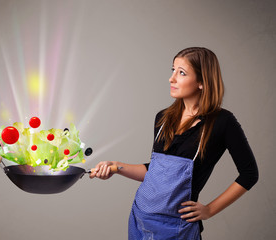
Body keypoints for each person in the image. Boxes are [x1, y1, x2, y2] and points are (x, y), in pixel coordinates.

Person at [89, 47, 259, 240]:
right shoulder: (163, 118)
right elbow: (157, 171)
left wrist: (210, 210)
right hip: (140, 218)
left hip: (176, 228)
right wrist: (115, 167)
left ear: (202, 82)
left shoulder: (222, 122)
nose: (172, 79)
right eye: (173, 70)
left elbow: (250, 174)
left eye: (182, 73)